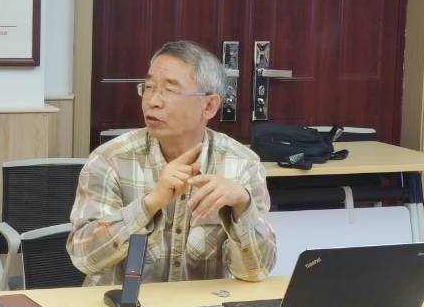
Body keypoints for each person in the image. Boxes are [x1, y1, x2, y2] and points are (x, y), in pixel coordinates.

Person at [68, 40, 276, 285]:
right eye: (148, 87)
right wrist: (150, 203)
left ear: (209, 106)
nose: (153, 101)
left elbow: (256, 272)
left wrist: (242, 204)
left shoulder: (242, 164)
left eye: (169, 90)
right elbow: (84, 259)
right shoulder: (110, 159)